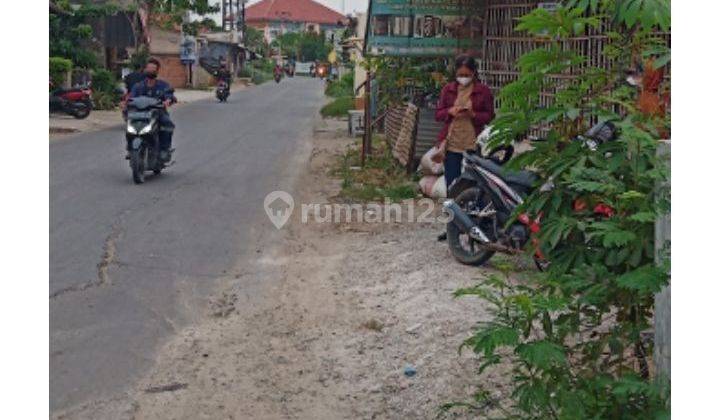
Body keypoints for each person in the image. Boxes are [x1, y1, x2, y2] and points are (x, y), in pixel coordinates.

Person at [434, 55, 495, 242]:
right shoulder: (448, 90)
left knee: (474, 186)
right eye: (460, 74)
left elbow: (490, 116)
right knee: (452, 186)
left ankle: (474, 226)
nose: (463, 77)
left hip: (474, 143)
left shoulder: (482, 91)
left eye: (466, 74)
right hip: (452, 143)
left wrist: (473, 114)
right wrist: (450, 112)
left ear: (474, 73)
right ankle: (452, 226)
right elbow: (438, 114)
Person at [128, 58, 177, 162]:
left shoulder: (163, 85)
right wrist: (125, 103)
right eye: (149, 68)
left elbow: (170, 95)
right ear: (145, 69)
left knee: (167, 124)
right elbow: (131, 98)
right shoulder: (138, 86)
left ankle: (164, 149)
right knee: (130, 126)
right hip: (140, 114)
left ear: (157, 71)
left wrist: (168, 100)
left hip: (158, 113)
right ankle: (130, 148)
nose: (150, 71)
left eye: (153, 69)